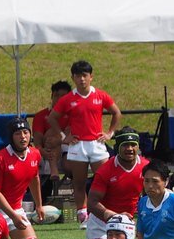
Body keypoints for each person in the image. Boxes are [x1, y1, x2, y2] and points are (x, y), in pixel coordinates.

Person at [47, 60, 121, 223]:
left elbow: (116, 112)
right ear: (73, 78)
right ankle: (83, 217)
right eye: (78, 76)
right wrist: (63, 137)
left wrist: (110, 133)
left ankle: (106, 214)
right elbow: (52, 118)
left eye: (84, 75)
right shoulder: (68, 98)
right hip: (77, 145)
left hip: (97, 143)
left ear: (91, 77)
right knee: (78, 183)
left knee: (104, 180)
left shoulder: (100, 95)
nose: (81, 79)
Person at [32, 81, 71, 197]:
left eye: (63, 96)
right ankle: (52, 170)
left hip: (69, 150)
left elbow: (72, 135)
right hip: (48, 151)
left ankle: (53, 170)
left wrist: (58, 141)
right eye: (56, 95)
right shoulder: (41, 115)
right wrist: (43, 151)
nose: (59, 99)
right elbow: (37, 142)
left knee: (54, 134)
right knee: (51, 134)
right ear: (51, 97)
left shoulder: (73, 114)